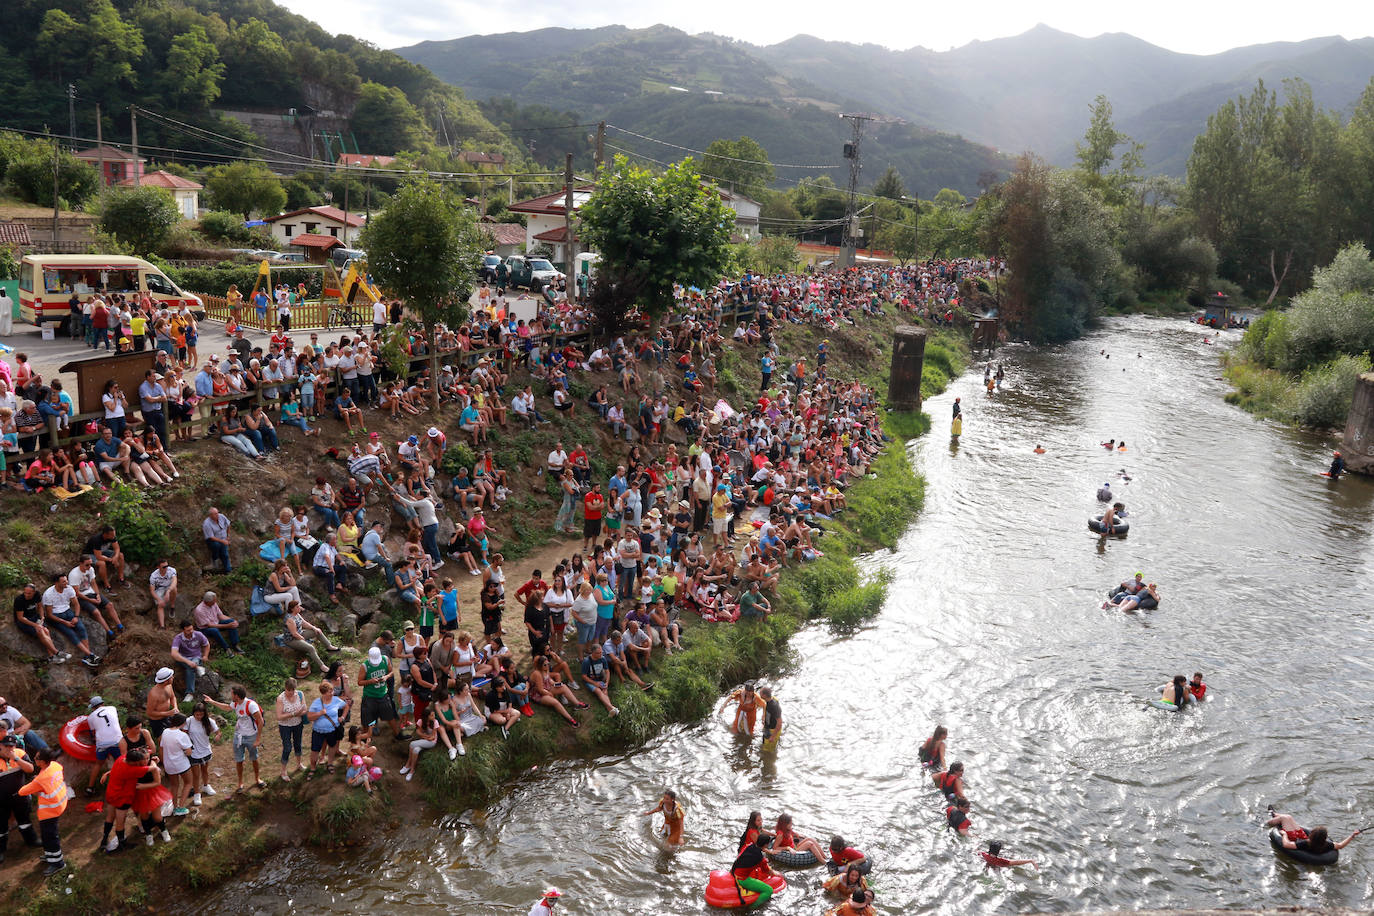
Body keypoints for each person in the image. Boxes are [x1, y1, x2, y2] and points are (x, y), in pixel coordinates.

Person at [202, 685, 265, 791]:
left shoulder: (251, 705)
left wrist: (258, 739)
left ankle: (257, 779)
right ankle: (240, 783)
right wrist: (212, 701)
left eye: (232, 693)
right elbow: (226, 707)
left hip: (251, 736)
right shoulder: (236, 703)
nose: (230, 695)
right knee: (239, 760)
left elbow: (260, 721)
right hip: (238, 736)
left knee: (254, 758)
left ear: (236, 696)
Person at [18, 747, 68, 875]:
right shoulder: (55, 765)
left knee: (50, 836)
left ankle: (58, 863)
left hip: (50, 811)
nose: (34, 759)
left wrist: (36, 782)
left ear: (43, 761)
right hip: (60, 803)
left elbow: (22, 791)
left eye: (36, 758)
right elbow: (48, 779)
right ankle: (50, 855)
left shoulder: (41, 779)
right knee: (46, 835)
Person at [1266, 808, 1361, 858]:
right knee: (1289, 817)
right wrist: (1352, 835)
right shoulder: (1327, 845)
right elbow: (1340, 845)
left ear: (1311, 836)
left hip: (1293, 838)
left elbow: (1286, 845)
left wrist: (1284, 834)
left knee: (1284, 818)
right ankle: (1274, 814)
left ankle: (1268, 821)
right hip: (1302, 836)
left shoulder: (1305, 844)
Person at [306, 681, 347, 776]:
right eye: (330, 691)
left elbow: (346, 706)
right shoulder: (316, 703)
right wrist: (319, 713)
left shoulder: (336, 700)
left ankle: (330, 764)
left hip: (332, 730)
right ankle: (313, 768)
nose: (332, 693)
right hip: (318, 731)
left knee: (332, 746)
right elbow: (309, 717)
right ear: (323, 693)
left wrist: (342, 717)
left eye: (332, 691)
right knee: (315, 750)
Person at [730, 832, 778, 908]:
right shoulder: (761, 859)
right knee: (769, 890)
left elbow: (740, 857)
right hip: (742, 879)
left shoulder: (748, 846)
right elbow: (767, 871)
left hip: (733, 871)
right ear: (766, 845)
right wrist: (777, 873)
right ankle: (752, 908)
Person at [275, 677, 308, 781]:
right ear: (285, 688)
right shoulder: (280, 698)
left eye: (293, 690)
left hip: (298, 724)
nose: (291, 692)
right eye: (288, 690)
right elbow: (279, 716)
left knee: (298, 743)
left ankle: (299, 764)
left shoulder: (300, 694)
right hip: (285, 726)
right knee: (287, 747)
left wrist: (295, 714)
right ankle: (283, 771)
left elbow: (305, 709)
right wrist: (294, 713)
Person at [580, 642, 619, 717]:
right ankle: (612, 707)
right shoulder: (586, 661)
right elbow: (584, 676)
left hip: (600, 679)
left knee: (605, 691)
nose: (601, 654)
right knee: (598, 691)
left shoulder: (603, 659)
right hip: (590, 681)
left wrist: (607, 683)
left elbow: (607, 672)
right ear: (593, 653)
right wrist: (595, 684)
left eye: (601, 652)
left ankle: (610, 710)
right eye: (598, 653)